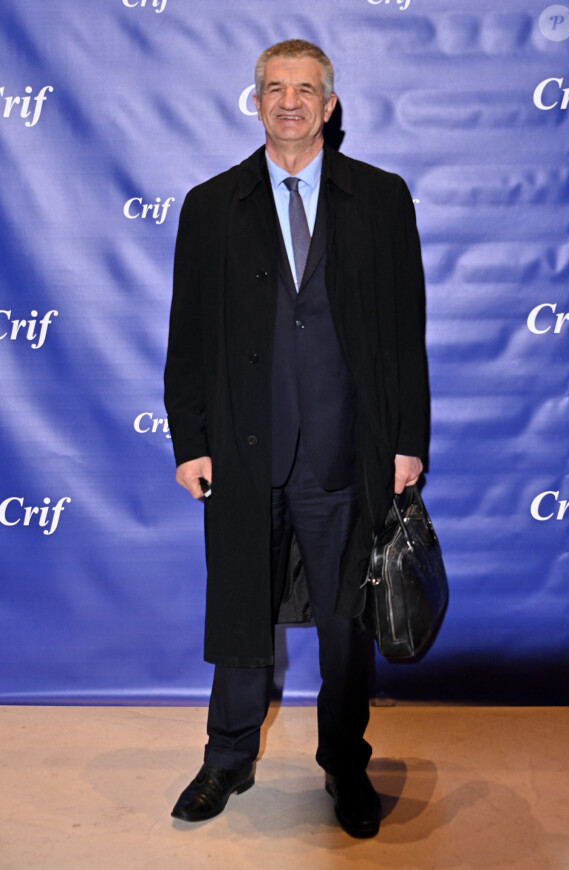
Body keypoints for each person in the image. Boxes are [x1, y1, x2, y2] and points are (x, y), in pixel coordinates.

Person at [164, 39, 429, 839]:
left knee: (349, 625)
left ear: (329, 104)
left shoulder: (380, 199)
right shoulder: (213, 205)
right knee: (241, 609)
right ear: (257, 101)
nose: (289, 101)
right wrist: (190, 441)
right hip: (244, 453)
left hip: (348, 454)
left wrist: (406, 439)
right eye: (275, 88)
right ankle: (227, 757)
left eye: (305, 89)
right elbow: (187, 338)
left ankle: (344, 764)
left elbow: (404, 332)